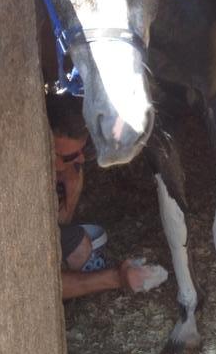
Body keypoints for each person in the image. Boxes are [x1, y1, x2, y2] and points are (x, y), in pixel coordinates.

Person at [46, 94, 167, 300]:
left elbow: (54, 234)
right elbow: (41, 282)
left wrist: (71, 193)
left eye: (82, 151)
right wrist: (116, 278)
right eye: (70, 156)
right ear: (48, 151)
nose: (81, 159)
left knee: (77, 245)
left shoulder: (66, 173)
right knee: (78, 251)